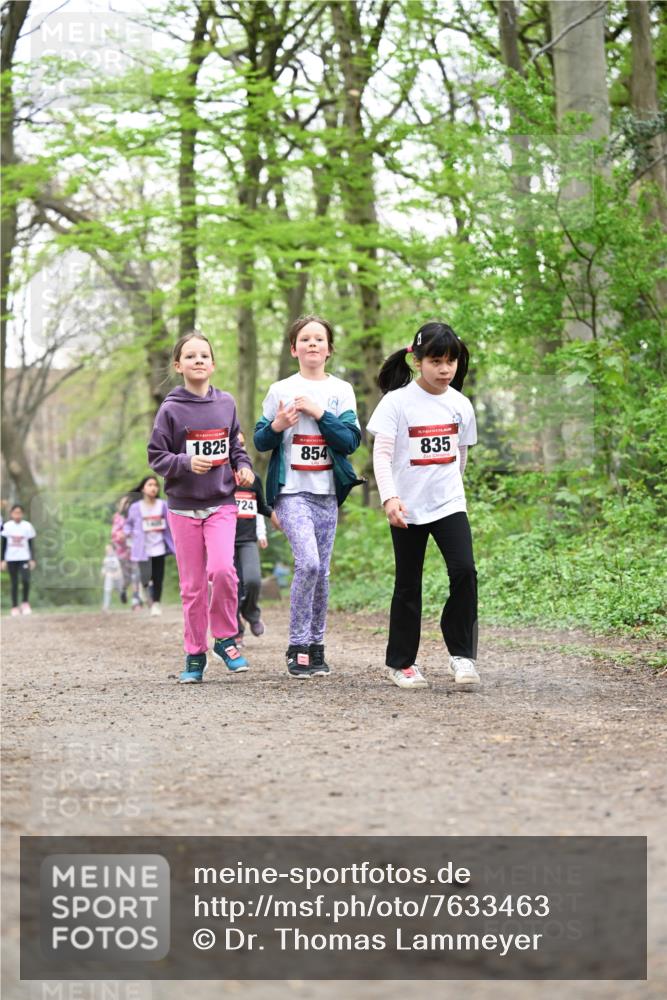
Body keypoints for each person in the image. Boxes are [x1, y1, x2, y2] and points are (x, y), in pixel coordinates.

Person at [366, 321, 480, 690]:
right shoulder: (396, 403)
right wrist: (390, 498)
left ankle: (462, 656)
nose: (446, 369)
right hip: (407, 508)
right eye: (436, 361)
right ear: (416, 360)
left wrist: (450, 491)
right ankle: (402, 663)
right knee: (408, 584)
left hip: (448, 504)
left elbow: (459, 458)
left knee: (465, 572)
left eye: (452, 362)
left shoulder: (461, 404)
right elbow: (381, 456)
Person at [254, 314, 363, 679]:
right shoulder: (280, 389)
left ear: (329, 349)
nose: (313, 344)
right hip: (291, 492)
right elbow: (260, 440)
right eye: (305, 339)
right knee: (309, 564)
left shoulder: (342, 391)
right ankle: (296, 645)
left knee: (323, 573)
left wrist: (319, 414)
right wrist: (278, 426)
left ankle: (317, 647)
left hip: (327, 493)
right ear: (293, 348)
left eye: (320, 339)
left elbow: (349, 442)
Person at [148, 331, 254, 683]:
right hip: (182, 508)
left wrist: (244, 466)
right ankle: (195, 652)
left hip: (221, 502)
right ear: (178, 366)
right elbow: (156, 456)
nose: (198, 361)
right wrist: (183, 463)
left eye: (203, 356)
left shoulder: (226, 403)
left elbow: (236, 445)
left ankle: (225, 637)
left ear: (213, 364)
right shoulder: (170, 409)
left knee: (223, 570)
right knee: (193, 586)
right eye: (190, 356)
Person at [233, 430, 280, 642]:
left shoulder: (253, 479)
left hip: (248, 539)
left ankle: (251, 613)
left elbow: (261, 505)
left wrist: (273, 515)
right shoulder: (219, 480)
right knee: (230, 586)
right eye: (235, 444)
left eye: (242, 444)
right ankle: (235, 630)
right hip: (224, 541)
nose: (240, 448)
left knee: (252, 581)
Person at [124, 476, 175, 616]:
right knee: (146, 578)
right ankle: (144, 589)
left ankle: (156, 604)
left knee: (158, 578)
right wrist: (127, 532)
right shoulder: (135, 507)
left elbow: (171, 521)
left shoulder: (162, 505)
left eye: (155, 485)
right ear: (143, 488)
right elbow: (128, 524)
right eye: (150, 485)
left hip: (159, 547)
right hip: (143, 549)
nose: (153, 488)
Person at [1, 504, 36, 616]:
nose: (17, 515)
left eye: (19, 512)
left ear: (22, 514)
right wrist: (2, 560)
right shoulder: (6, 526)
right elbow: (4, 544)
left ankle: (25, 603)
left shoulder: (27, 526)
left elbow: (31, 544)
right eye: (15, 513)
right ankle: (14, 606)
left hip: (24, 557)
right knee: (14, 582)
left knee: (25, 579)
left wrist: (32, 559)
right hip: (11, 558)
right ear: (11, 514)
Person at [110, 495, 140, 607]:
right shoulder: (117, 517)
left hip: (136, 551)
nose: (127, 505)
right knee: (127, 577)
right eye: (124, 503)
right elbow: (114, 534)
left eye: (129, 502)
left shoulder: (137, 516)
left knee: (137, 575)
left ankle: (136, 600)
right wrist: (121, 536)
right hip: (122, 552)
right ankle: (123, 589)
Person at [101, 543, 123, 611]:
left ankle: (125, 601)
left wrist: (117, 574)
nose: (107, 551)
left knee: (120, 590)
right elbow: (104, 567)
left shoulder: (116, 558)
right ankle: (106, 606)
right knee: (107, 590)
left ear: (113, 550)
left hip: (117, 576)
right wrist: (103, 572)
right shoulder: (105, 559)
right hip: (109, 576)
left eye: (109, 549)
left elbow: (119, 568)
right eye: (106, 550)